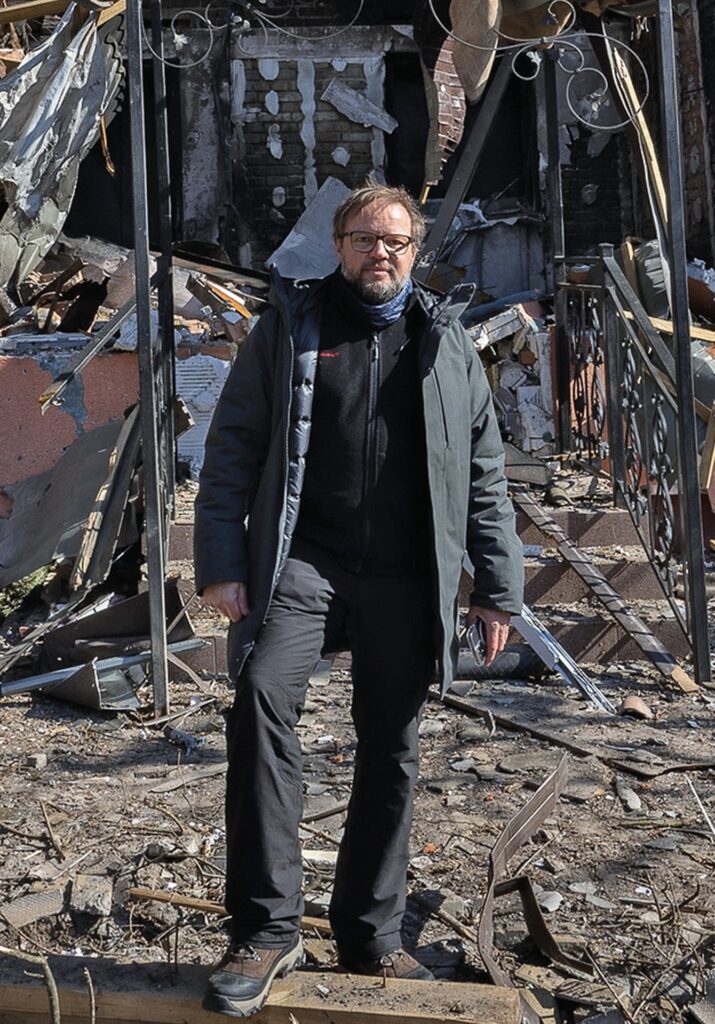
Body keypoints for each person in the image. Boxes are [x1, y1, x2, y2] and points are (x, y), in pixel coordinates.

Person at [194, 178, 523, 1018]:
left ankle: (370, 934)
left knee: (391, 743)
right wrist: (222, 562)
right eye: (363, 239)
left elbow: (482, 475)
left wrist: (497, 591)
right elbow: (232, 446)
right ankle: (266, 929)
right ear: (338, 247)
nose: (380, 253)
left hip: (404, 574)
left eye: (395, 241)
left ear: (415, 251)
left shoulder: (445, 343)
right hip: (302, 562)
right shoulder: (290, 328)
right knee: (262, 695)